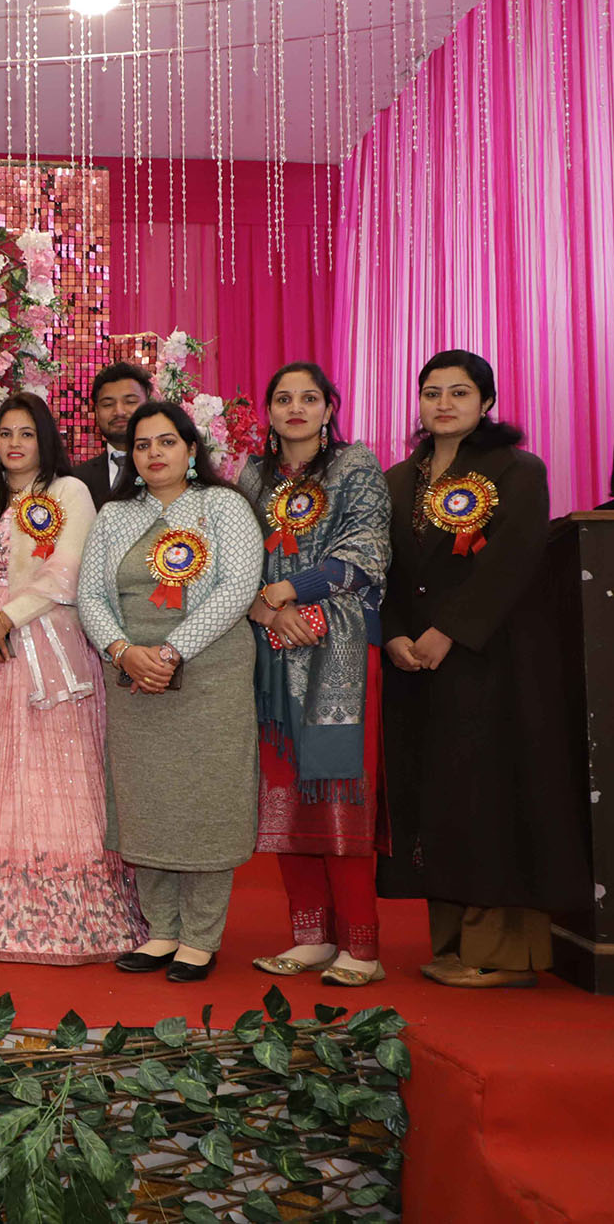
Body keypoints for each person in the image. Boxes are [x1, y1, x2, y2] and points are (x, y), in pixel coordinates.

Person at [381, 350, 590, 988]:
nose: (443, 404)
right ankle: (452, 943)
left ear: (487, 401)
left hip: (494, 659)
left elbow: (514, 559)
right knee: (440, 797)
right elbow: (386, 566)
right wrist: (393, 633)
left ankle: (502, 954)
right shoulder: (398, 478)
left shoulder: (517, 469)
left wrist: (450, 630)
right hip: (418, 663)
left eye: (460, 392)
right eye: (432, 392)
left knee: (493, 795)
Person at [0, 393, 148, 964]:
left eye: (26, 433)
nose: (14, 444)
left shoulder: (69, 493)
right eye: (5, 434)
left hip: (45, 644)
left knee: (49, 768)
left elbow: (68, 571)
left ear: (45, 440)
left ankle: (65, 920)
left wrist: (6, 618)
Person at [80, 401, 264, 982]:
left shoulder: (223, 506)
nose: (154, 453)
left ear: (191, 449)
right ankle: (161, 930)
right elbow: (90, 596)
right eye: (142, 445)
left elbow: (238, 587)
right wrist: (123, 651)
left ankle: (201, 937)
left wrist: (170, 651)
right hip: (134, 676)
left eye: (166, 441)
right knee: (147, 799)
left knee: (205, 798)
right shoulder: (114, 515)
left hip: (210, 671)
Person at [236, 363, 392, 987]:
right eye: (283, 398)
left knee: (338, 791)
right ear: (269, 411)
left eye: (309, 398)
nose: (295, 407)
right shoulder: (252, 475)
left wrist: (292, 590)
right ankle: (310, 939)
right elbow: (235, 554)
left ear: (329, 408)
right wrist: (267, 608)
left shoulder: (355, 465)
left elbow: (367, 548)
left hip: (341, 648)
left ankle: (361, 947)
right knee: (284, 793)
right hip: (269, 646)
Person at [70, 362, 152, 509]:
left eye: (130, 402)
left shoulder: (167, 469)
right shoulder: (77, 479)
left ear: (149, 405)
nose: (119, 411)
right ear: (96, 411)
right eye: (108, 404)